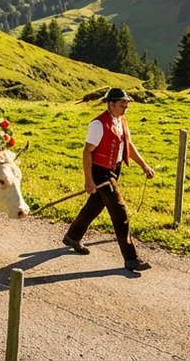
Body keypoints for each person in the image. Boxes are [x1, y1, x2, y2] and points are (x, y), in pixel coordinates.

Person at [62, 87, 156, 271]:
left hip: (115, 169)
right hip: (101, 172)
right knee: (120, 212)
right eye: (122, 105)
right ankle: (131, 259)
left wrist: (144, 165)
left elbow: (127, 144)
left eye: (127, 105)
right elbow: (87, 152)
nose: (125, 108)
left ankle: (73, 236)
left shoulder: (121, 121)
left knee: (95, 205)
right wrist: (88, 179)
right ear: (110, 104)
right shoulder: (98, 125)